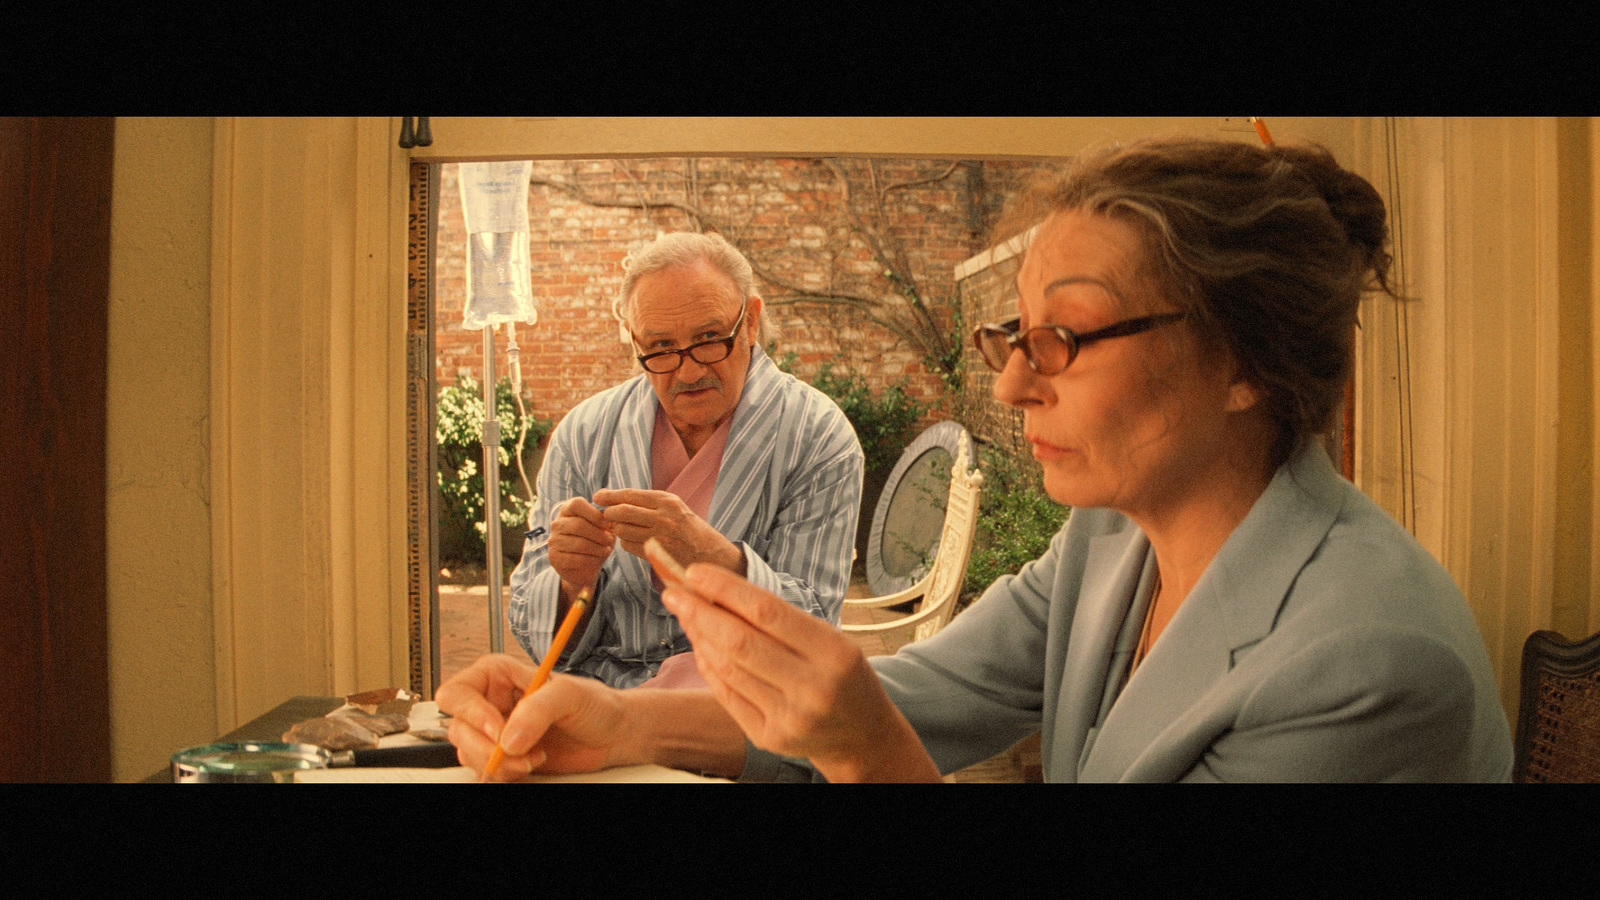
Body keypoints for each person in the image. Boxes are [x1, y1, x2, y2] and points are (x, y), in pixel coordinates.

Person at [443, 137, 1515, 782]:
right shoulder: (1109, 542)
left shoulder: (1368, 668)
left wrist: (867, 756)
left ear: (1244, 359)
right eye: (1015, 336)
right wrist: (619, 723)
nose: (1009, 385)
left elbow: (875, 725)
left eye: (1069, 335)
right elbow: (913, 692)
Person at [503, 230, 864, 689]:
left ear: (750, 322)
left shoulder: (817, 437)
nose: (688, 371)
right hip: (603, 701)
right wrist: (574, 584)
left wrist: (717, 560)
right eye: (660, 348)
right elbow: (533, 632)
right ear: (635, 341)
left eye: (710, 338)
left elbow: (815, 635)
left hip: (743, 704)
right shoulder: (585, 434)